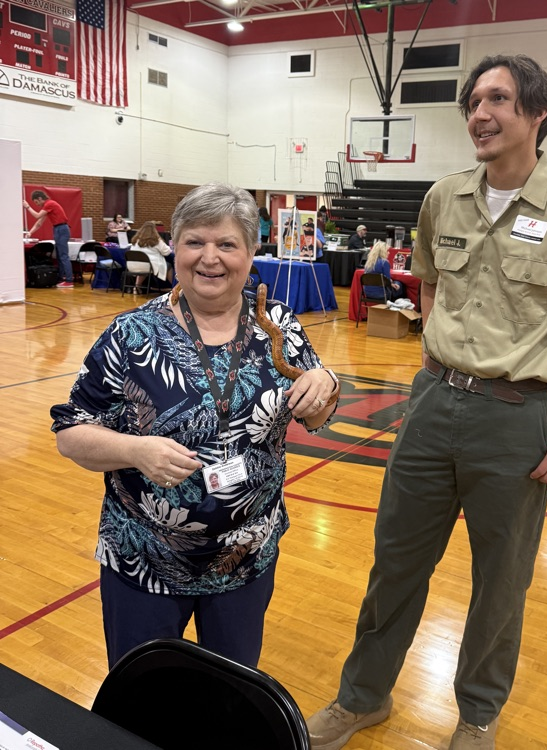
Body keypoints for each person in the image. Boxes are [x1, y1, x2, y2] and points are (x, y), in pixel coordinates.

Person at [306, 53, 547, 750]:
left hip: (519, 419)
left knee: (500, 584)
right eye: (472, 102)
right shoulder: (443, 197)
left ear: (537, 113)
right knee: (395, 562)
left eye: (497, 100)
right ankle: (361, 698)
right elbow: (428, 285)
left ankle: (479, 716)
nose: (479, 115)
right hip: (433, 405)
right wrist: (440, 357)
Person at [50, 182, 340, 670]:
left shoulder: (279, 325)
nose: (210, 258)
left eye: (227, 244)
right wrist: (134, 451)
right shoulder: (131, 334)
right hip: (144, 562)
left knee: (230, 700)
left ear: (251, 254)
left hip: (245, 559)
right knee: (142, 701)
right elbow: (70, 432)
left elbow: (317, 412)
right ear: (175, 248)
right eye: (195, 242)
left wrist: (325, 381)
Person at [23, 190, 74, 288]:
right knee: (59, 256)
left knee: (63, 256)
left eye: (36, 202)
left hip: (61, 229)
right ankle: (62, 278)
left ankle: (69, 280)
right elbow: (39, 222)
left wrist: (28, 207)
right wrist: (30, 232)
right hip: (58, 229)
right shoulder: (48, 207)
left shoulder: (49, 204)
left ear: (40, 198)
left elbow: (37, 215)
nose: (37, 205)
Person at [130, 220, 173, 291]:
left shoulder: (135, 240)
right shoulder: (156, 241)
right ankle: (174, 287)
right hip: (149, 266)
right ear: (154, 230)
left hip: (134, 265)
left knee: (144, 267)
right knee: (168, 266)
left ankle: (137, 286)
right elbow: (167, 252)